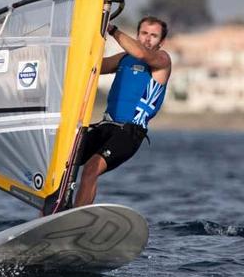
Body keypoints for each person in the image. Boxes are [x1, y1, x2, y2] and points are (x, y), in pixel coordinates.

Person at [72, 15, 172, 207]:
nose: (147, 39)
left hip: (130, 131)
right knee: (65, 160)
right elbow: (94, 67)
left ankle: (77, 217)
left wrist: (111, 29)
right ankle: (52, 212)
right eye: (144, 33)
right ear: (137, 34)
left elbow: (142, 54)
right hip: (106, 126)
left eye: (154, 35)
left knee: (92, 168)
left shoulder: (162, 61)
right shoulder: (124, 58)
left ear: (162, 41)